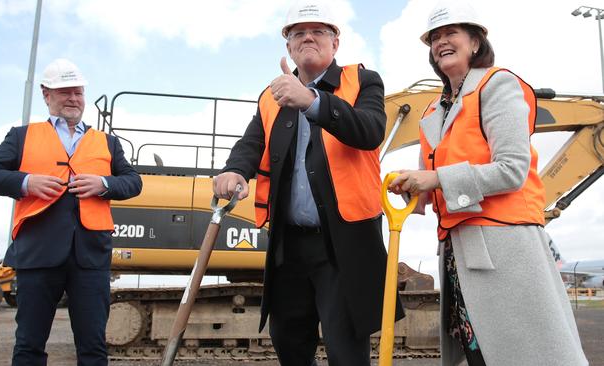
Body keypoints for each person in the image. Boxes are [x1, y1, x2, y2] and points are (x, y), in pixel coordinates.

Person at [388, 2, 589, 365]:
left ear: (475, 42)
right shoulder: (433, 110)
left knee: (526, 354)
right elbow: (434, 186)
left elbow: (511, 168)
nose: (441, 43)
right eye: (435, 38)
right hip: (457, 250)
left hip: (504, 246)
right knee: (476, 352)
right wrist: (414, 190)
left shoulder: (498, 84)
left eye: (451, 34)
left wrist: (433, 179)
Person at [212, 1, 404, 365]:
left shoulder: (363, 81)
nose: (308, 37)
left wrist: (313, 101)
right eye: (299, 33)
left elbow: (370, 130)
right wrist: (235, 170)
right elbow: (252, 144)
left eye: (319, 31)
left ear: (336, 44)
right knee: (289, 343)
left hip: (342, 244)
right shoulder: (271, 97)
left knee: (346, 350)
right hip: (289, 246)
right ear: (288, 48)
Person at [0, 58, 142, 366]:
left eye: (78, 92)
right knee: (29, 345)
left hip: (90, 258)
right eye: (65, 92)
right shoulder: (21, 136)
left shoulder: (107, 142)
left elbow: (133, 182)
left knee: (92, 347)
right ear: (46, 94)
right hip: (38, 255)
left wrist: (103, 183)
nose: (73, 99)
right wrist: (26, 182)